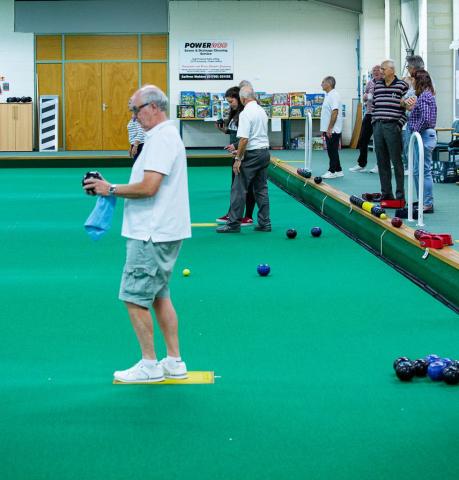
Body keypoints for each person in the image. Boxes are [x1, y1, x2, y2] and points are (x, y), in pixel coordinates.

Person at [83, 85, 191, 383]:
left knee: (134, 298)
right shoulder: (162, 137)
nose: (133, 116)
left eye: (136, 109)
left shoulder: (161, 139)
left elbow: (148, 187)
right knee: (159, 295)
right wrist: (111, 186)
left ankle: (150, 365)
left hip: (151, 234)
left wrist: (111, 189)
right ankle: (174, 361)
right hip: (161, 231)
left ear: (154, 107)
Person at [216, 86, 271, 233]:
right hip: (264, 153)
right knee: (261, 190)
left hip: (252, 155)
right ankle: (265, 223)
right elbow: (256, 135)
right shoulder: (261, 111)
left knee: (238, 189)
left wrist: (238, 158)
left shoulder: (246, 113)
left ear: (242, 98)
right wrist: (236, 146)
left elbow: (244, 140)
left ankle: (233, 224)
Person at [215, 86, 255, 226]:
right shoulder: (234, 113)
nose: (230, 104)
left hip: (244, 154)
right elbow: (233, 132)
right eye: (228, 102)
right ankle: (232, 213)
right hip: (235, 153)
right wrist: (222, 130)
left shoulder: (245, 113)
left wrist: (237, 148)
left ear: (239, 99)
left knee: (247, 187)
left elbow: (246, 137)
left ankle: (248, 216)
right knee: (235, 186)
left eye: (231, 101)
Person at [372, 59, 409, 200]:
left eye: (383, 69)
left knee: (396, 162)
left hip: (393, 126)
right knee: (382, 161)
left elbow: (408, 110)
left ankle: (400, 196)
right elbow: (374, 105)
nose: (380, 71)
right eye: (380, 69)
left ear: (392, 70)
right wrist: (374, 121)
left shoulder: (402, 86)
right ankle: (386, 194)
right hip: (378, 126)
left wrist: (399, 124)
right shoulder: (377, 85)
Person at [406, 69, 437, 213]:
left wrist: (415, 131)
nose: (411, 82)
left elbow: (425, 119)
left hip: (424, 135)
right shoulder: (425, 95)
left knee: (424, 170)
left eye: (412, 79)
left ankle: (427, 203)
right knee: (419, 171)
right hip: (424, 135)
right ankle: (423, 200)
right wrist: (412, 108)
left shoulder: (424, 96)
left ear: (418, 80)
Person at [349, 65, 382, 173]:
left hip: (380, 114)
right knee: (363, 139)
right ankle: (361, 164)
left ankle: (379, 165)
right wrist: (365, 97)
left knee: (379, 141)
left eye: (378, 70)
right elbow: (365, 95)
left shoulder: (385, 82)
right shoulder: (369, 83)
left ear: (382, 72)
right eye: (374, 71)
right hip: (369, 114)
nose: (376, 72)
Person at [401, 55, 425, 173]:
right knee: (408, 150)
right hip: (410, 123)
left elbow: (413, 104)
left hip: (419, 125)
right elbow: (403, 100)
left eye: (408, 67)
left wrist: (409, 104)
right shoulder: (414, 83)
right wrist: (406, 103)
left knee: (418, 160)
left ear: (413, 68)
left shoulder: (425, 82)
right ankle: (411, 169)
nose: (407, 70)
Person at [320, 76, 343, 179]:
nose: (321, 84)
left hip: (333, 129)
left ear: (329, 83)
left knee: (331, 150)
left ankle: (332, 171)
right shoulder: (328, 95)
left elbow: (335, 112)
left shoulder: (334, 95)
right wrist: (325, 129)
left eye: (323, 82)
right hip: (329, 129)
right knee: (332, 150)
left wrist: (330, 128)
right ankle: (339, 170)